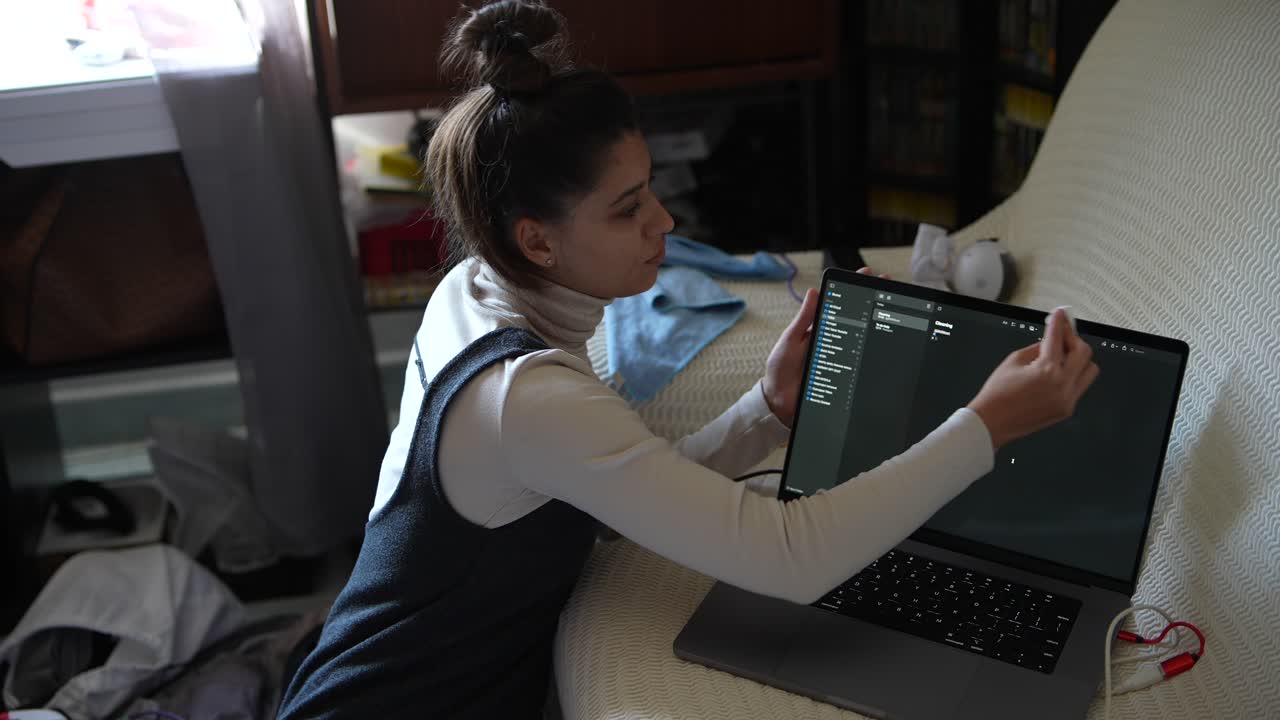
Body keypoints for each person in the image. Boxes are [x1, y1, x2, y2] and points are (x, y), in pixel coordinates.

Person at [276, 2, 1099, 718]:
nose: (665, 223)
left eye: (653, 190)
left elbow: (599, 493)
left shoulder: (475, 288)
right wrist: (987, 428)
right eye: (629, 209)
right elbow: (790, 554)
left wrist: (764, 412)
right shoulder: (526, 397)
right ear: (537, 239)